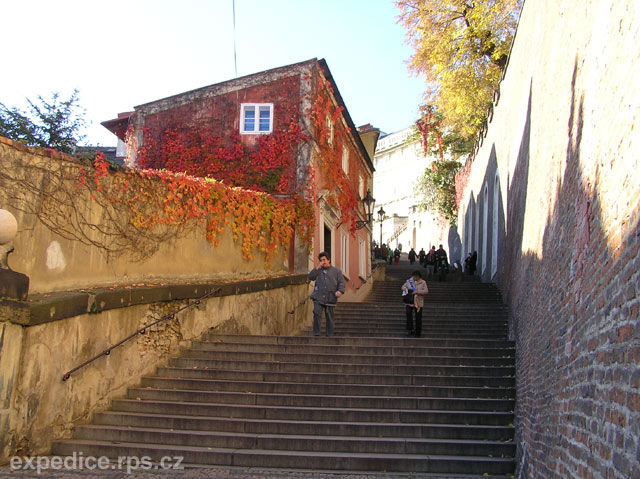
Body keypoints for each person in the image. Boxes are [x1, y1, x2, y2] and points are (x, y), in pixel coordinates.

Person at [308, 252, 346, 337]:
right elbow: (310, 277)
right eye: (321, 260)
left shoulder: (336, 271)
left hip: (331, 297)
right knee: (317, 313)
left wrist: (340, 291)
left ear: (328, 260)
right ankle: (316, 333)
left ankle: (329, 334)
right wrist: (317, 268)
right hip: (318, 296)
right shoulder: (318, 270)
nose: (323, 262)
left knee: (329, 316)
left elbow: (341, 283)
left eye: (324, 260)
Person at [402, 270, 429, 337]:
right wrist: (406, 289)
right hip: (410, 302)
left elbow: (426, 291)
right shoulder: (409, 281)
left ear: (419, 277)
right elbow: (403, 287)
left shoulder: (423, 282)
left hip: (418, 302)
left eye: (416, 277)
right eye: (414, 276)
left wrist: (418, 292)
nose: (415, 278)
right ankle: (410, 330)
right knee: (408, 315)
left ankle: (418, 331)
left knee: (418, 317)